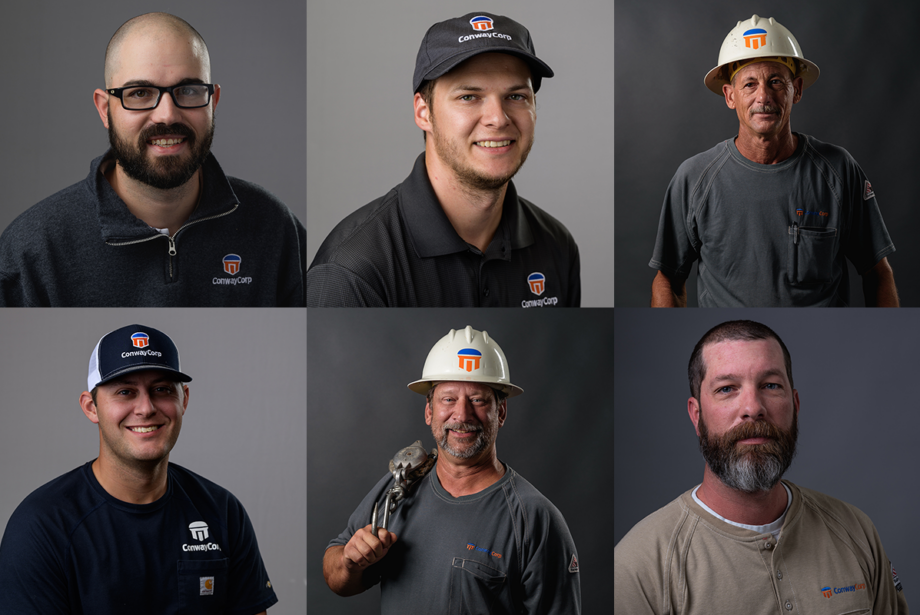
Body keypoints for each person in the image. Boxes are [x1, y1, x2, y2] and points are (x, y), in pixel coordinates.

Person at [0, 12, 306, 306]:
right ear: (105, 109)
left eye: (187, 90)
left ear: (212, 102)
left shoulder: (274, 227)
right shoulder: (32, 251)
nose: (167, 115)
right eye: (140, 93)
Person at [614, 320, 907, 614]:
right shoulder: (638, 567)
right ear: (696, 415)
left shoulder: (856, 530)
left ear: (795, 405)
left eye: (770, 385)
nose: (753, 408)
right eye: (727, 388)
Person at [0, 324, 278, 614]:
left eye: (161, 390)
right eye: (125, 391)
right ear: (91, 407)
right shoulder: (41, 525)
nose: (145, 408)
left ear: (184, 400)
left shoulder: (222, 511)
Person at [308, 12, 580, 307]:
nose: (498, 119)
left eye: (516, 96)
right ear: (423, 112)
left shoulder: (556, 245)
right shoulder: (351, 270)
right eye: (469, 97)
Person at [323, 325, 581, 613]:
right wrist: (349, 562)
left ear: (502, 412)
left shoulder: (535, 520)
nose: (462, 415)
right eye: (448, 399)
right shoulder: (398, 487)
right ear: (429, 411)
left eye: (478, 400)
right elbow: (337, 578)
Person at [649, 15, 898, 307]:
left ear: (797, 90)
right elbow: (668, 279)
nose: (763, 96)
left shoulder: (838, 170)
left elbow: (877, 273)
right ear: (730, 96)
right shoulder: (693, 179)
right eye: (750, 84)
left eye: (776, 81)